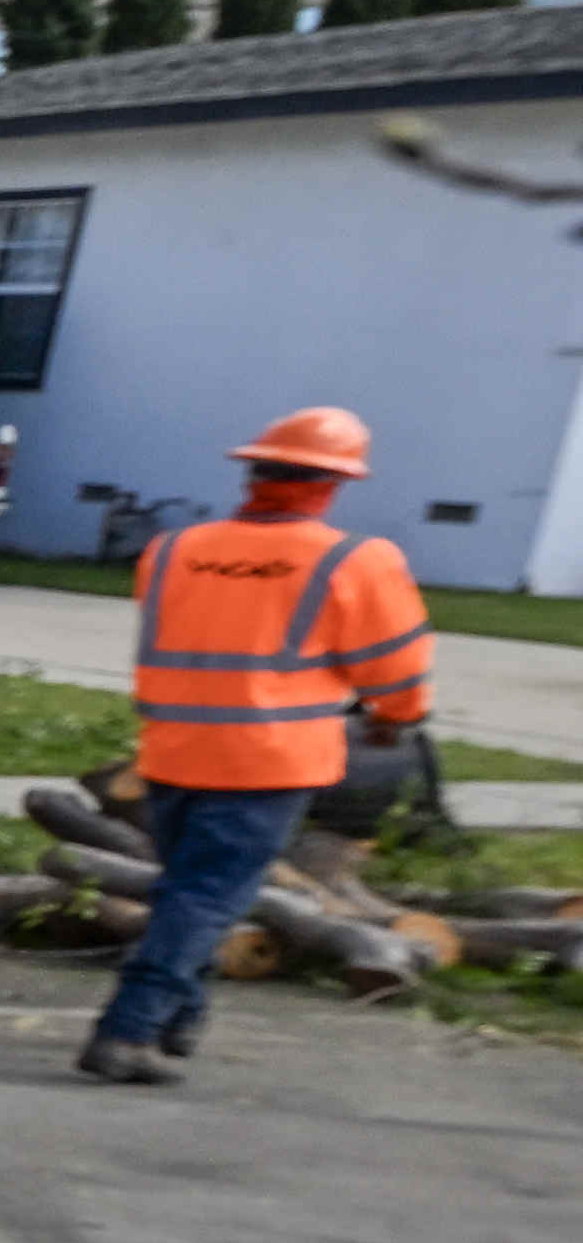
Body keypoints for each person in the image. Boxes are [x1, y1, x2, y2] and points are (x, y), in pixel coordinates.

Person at [83, 403, 437, 1088]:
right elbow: (395, 667)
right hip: (268, 759)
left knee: (188, 890)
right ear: (334, 483)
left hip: (173, 750)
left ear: (255, 472)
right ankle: (128, 1029)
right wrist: (396, 717)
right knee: (208, 896)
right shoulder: (355, 559)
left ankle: (179, 1023)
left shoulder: (173, 550)